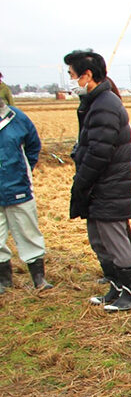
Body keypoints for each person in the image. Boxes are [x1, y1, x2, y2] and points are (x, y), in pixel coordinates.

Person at [65, 49, 131, 312]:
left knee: (115, 239)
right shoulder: (94, 104)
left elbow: (99, 152)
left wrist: (82, 182)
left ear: (87, 75)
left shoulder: (106, 106)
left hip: (109, 186)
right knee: (100, 239)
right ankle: (117, 286)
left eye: (73, 76)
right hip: (99, 187)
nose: (72, 82)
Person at [0, 101, 51, 292]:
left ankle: (39, 279)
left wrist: (22, 170)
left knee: (28, 231)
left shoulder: (16, 118)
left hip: (17, 187)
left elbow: (33, 146)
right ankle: (4, 280)